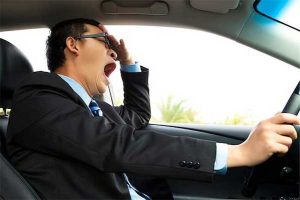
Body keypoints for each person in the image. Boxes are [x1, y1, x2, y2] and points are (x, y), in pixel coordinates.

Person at [6, 18, 299, 200]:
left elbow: (137, 116)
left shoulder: (98, 111)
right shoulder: (38, 96)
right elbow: (112, 144)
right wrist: (238, 153)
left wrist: (128, 63)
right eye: (104, 40)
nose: (112, 49)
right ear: (73, 45)